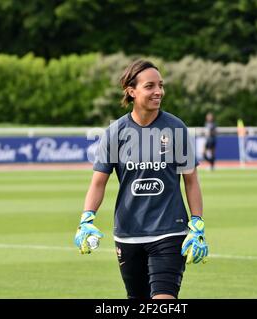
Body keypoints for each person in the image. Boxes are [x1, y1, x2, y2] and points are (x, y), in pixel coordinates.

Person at [74, 60, 209, 299]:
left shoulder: (176, 129)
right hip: (128, 234)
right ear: (131, 91)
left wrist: (197, 223)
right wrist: (86, 219)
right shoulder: (115, 133)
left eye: (160, 85)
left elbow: (191, 180)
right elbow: (98, 182)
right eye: (150, 86)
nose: (158, 91)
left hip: (169, 230)